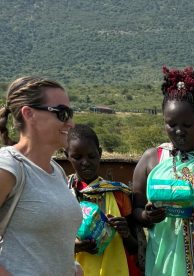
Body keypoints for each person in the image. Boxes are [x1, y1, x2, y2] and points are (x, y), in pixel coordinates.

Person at [131, 66, 194, 276]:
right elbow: (135, 210)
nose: (179, 131)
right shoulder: (151, 160)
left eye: (187, 124)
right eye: (172, 124)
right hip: (166, 261)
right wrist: (148, 215)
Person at [0, 76, 82, 275]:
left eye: (70, 114)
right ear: (29, 114)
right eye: (62, 113)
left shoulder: (57, 171)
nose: (70, 123)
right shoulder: (9, 166)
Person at [66, 124, 141, 276]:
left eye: (91, 156)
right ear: (66, 155)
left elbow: (135, 248)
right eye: (77, 157)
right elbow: (51, 245)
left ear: (99, 153)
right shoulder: (64, 193)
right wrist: (77, 247)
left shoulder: (119, 194)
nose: (85, 162)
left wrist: (125, 233)